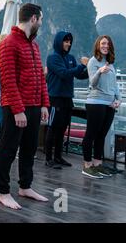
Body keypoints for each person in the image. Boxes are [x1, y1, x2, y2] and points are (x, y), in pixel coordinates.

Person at [0, 3, 50, 210]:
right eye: (41, 19)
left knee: (29, 148)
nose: (42, 23)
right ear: (34, 19)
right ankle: (3, 191)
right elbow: (8, 80)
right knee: (8, 150)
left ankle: (25, 186)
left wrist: (44, 104)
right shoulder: (8, 43)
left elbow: (41, 79)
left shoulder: (34, 45)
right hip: (15, 107)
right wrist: (18, 109)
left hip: (35, 106)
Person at [45, 31, 89, 169]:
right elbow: (64, 74)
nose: (68, 44)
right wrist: (81, 65)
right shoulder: (52, 58)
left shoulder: (70, 57)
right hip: (55, 98)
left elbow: (78, 75)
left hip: (67, 99)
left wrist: (89, 68)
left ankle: (58, 157)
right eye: (66, 41)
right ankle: (48, 159)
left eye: (70, 41)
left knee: (62, 128)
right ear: (59, 41)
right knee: (52, 128)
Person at [82, 35, 121, 179]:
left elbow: (114, 85)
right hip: (96, 103)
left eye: (108, 44)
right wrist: (99, 71)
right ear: (98, 45)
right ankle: (87, 165)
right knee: (91, 134)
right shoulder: (93, 62)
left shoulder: (110, 63)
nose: (105, 46)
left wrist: (119, 99)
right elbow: (92, 83)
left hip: (109, 104)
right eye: (103, 43)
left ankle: (97, 164)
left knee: (101, 135)